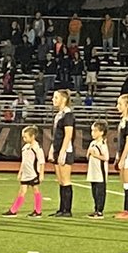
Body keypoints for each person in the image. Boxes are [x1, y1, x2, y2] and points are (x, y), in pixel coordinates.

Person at [3, 125, 45, 217]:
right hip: (26, 173)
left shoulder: (37, 147)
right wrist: (20, 172)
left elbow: (41, 162)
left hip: (33, 173)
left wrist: (41, 174)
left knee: (36, 191)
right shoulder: (25, 147)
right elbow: (23, 161)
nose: (24, 139)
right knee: (22, 191)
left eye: (25, 137)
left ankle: (38, 211)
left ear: (32, 136)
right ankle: (13, 210)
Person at [48, 89, 76, 217]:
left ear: (64, 99)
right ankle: (61, 208)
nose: (53, 100)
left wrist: (62, 152)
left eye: (56, 97)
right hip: (58, 149)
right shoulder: (59, 114)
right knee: (60, 181)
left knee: (65, 180)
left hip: (65, 150)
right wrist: (52, 149)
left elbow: (68, 135)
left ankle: (67, 210)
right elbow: (56, 136)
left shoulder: (68, 114)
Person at [86, 121, 109, 219]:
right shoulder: (92, 143)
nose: (93, 133)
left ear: (101, 132)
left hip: (100, 172)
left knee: (100, 192)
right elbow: (88, 156)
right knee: (94, 192)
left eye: (95, 131)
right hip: (93, 171)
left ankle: (100, 210)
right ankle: (95, 209)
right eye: (92, 131)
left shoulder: (102, 144)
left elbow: (106, 157)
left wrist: (95, 155)